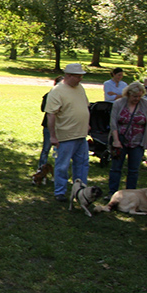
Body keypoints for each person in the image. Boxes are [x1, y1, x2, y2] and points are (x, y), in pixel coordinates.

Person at [108, 82, 147, 196]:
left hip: (138, 141)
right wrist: (116, 140)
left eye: (139, 96)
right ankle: (112, 193)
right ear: (128, 94)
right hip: (120, 140)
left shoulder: (146, 105)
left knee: (133, 170)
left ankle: (130, 194)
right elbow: (113, 123)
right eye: (134, 96)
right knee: (116, 168)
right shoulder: (119, 103)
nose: (137, 99)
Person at [45, 63, 91, 202]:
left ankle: (80, 190)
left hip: (81, 134)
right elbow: (51, 114)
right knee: (62, 165)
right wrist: (53, 136)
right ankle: (60, 191)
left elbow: (85, 106)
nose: (80, 79)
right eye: (77, 76)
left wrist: (87, 124)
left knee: (82, 164)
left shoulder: (80, 88)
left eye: (81, 76)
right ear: (68, 75)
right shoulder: (57, 91)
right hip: (65, 136)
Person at [38, 76, 64, 169]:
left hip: (61, 126)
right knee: (46, 148)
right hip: (48, 126)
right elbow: (43, 109)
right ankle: (41, 167)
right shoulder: (48, 95)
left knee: (61, 149)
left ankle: (58, 169)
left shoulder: (66, 96)